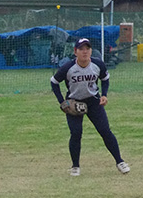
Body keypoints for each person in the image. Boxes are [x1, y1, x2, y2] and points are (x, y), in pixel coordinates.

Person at [51, 38, 130, 177]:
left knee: (105, 131)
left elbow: (105, 79)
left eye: (87, 48)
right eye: (81, 49)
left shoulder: (97, 64)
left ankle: (120, 161)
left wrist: (104, 95)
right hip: (74, 103)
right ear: (75, 52)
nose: (85, 51)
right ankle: (75, 166)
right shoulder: (68, 68)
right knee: (76, 133)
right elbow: (54, 82)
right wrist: (62, 102)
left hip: (93, 102)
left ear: (91, 51)